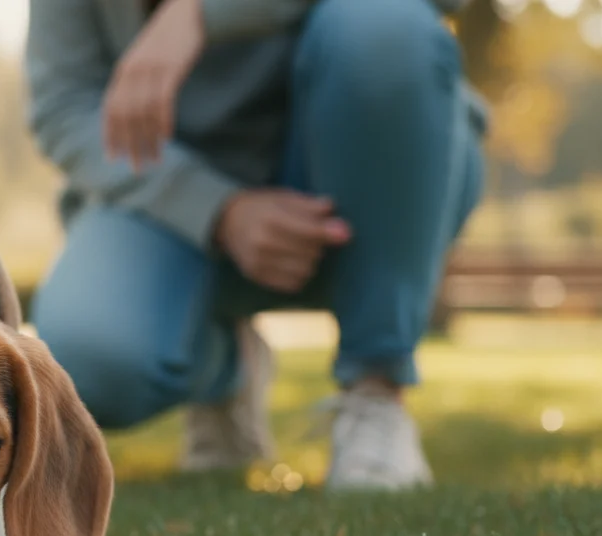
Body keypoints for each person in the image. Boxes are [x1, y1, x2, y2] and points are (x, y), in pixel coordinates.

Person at [25, 0, 486, 490]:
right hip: (170, 199)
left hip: (372, 177)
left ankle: (377, 390)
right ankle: (229, 368)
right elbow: (63, 108)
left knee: (384, 26)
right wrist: (220, 210)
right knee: (87, 358)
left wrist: (201, 13)